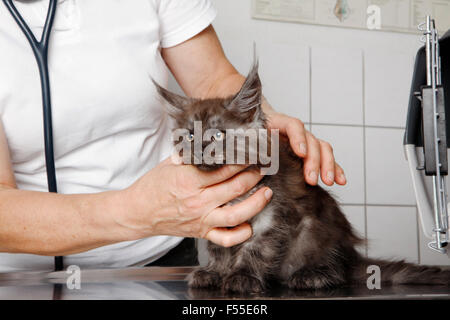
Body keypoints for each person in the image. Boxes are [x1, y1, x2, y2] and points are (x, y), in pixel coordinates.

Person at [0, 0, 345, 272]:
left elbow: (212, 82)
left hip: (163, 254)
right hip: (26, 273)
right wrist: (134, 212)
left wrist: (260, 122)